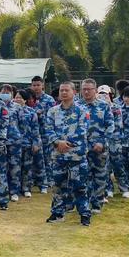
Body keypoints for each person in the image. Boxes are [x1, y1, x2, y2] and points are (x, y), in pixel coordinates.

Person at [45, 82, 91, 226]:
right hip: (58, 155)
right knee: (58, 185)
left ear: (74, 92)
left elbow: (83, 131)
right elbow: (48, 129)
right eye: (61, 90)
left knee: (80, 186)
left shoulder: (82, 111)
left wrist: (66, 143)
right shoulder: (52, 111)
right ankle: (58, 213)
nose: (63, 93)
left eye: (66, 90)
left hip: (76, 155)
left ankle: (84, 214)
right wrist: (57, 143)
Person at [79, 79, 114, 214]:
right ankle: (84, 203)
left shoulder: (104, 106)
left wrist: (102, 142)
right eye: (84, 89)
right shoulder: (76, 106)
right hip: (82, 149)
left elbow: (110, 126)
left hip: (100, 148)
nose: (86, 91)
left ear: (95, 90)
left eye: (89, 89)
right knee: (83, 176)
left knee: (100, 176)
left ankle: (97, 203)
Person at [14, 89, 42, 198]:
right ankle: (14, 190)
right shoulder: (10, 111)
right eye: (16, 97)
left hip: (27, 143)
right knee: (14, 168)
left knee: (27, 167)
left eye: (20, 98)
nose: (17, 99)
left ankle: (26, 188)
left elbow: (35, 129)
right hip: (14, 144)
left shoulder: (31, 112)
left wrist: (36, 143)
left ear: (25, 100)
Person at [31, 76, 55, 186]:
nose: (36, 87)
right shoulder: (29, 99)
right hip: (33, 133)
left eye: (38, 85)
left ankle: (49, 179)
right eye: (34, 85)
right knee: (33, 157)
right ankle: (35, 179)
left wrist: (40, 115)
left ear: (43, 86)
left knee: (47, 157)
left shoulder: (49, 100)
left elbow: (51, 116)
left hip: (45, 133)